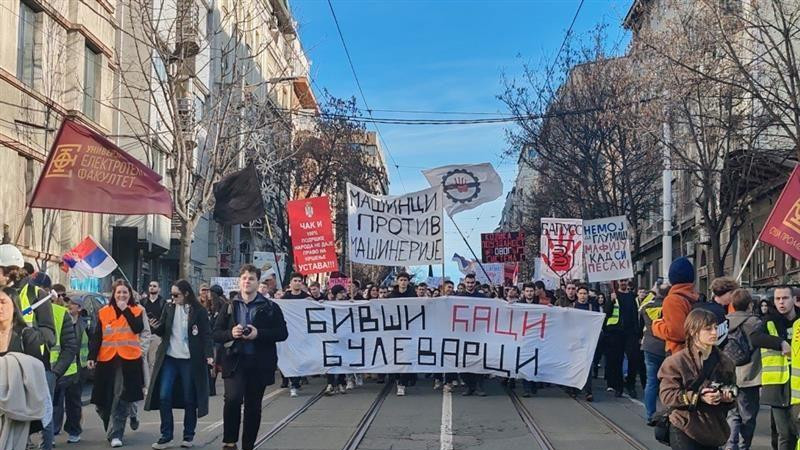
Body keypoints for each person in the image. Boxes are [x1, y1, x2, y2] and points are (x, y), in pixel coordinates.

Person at [214, 265, 288, 450]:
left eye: (251, 279)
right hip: (234, 361)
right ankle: (229, 441)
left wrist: (258, 334)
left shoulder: (270, 307)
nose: (247, 281)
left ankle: (248, 445)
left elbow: (282, 333)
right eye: (244, 278)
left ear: (258, 282)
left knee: (253, 406)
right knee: (232, 399)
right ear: (239, 281)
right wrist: (231, 333)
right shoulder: (229, 306)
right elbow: (215, 333)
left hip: (259, 363)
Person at [146, 280, 213, 449]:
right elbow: (164, 330)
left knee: (190, 397)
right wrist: (156, 327)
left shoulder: (199, 311)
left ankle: (188, 435)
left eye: (176, 295)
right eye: (172, 295)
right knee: (164, 395)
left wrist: (209, 355)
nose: (173, 298)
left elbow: (206, 334)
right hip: (170, 357)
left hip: (190, 360)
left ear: (187, 294)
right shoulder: (169, 308)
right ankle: (166, 435)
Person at [658, 308, 737, 449]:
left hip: (713, 427)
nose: (714, 332)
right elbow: (667, 396)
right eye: (708, 329)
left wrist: (727, 397)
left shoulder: (725, 362)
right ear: (694, 332)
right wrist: (699, 396)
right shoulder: (676, 362)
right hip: (684, 425)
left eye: (715, 328)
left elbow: (733, 391)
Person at [88, 280, 145, 448]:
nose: (121, 295)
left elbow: (137, 328)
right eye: (118, 292)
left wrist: (125, 310)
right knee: (101, 401)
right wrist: (92, 356)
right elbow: (97, 336)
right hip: (106, 360)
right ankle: (111, 428)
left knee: (121, 397)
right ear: (113, 294)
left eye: (125, 293)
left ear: (130, 295)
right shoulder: (103, 312)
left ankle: (117, 433)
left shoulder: (136, 310)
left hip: (128, 361)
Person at [726, 288, 781, 450]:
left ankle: (731, 444)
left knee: (732, 413)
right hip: (750, 375)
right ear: (750, 304)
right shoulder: (755, 323)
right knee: (748, 416)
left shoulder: (724, 322)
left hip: (729, 374)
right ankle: (744, 446)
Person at [0, 287, 49, 449]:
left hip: (18, 407)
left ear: (14, 306)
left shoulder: (27, 335)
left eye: (3, 302)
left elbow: (36, 373)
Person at [759, 286, 797, 450]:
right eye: (777, 299)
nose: (781, 302)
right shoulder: (769, 321)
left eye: (785, 298)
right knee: (784, 434)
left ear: (794, 300)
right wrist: (779, 343)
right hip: (777, 386)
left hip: (797, 387)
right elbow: (755, 338)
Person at [52, 295, 89, 444]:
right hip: (60, 367)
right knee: (56, 401)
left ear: (79, 308)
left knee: (73, 402)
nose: (69, 306)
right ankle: (53, 430)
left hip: (78, 368)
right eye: (68, 303)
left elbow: (90, 343)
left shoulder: (86, 324)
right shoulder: (60, 319)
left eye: (72, 304)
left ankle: (74, 430)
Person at [47, 290, 79, 443]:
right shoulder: (33, 313)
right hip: (53, 370)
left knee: (72, 404)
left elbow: (72, 345)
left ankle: (74, 430)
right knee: (54, 404)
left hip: (69, 369)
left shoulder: (61, 314)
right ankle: (52, 433)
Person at [653, 256, 700, 355]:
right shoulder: (694, 296)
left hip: (678, 354)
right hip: (694, 351)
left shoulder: (673, 300)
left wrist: (657, 326)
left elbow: (677, 333)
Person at [604, 279, 641, 398]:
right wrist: (611, 301)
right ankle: (618, 387)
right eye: (621, 281)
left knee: (633, 358)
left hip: (631, 333)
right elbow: (606, 313)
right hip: (616, 333)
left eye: (625, 281)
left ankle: (630, 384)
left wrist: (638, 334)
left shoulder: (633, 297)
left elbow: (637, 315)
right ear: (617, 282)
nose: (623, 283)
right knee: (617, 360)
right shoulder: (613, 296)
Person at [640, 280, 668, 425]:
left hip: (650, 347)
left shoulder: (646, 307)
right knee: (667, 382)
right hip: (666, 347)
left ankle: (650, 415)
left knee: (651, 382)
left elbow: (640, 324)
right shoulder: (670, 307)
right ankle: (665, 415)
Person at [457, 273, 488, 397]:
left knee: (478, 361)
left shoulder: (482, 297)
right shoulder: (458, 297)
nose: (470, 285)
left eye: (472, 282)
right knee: (463, 361)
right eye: (468, 282)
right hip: (463, 334)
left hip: (478, 334)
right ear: (464, 283)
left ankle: (479, 386)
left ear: (475, 283)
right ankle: (470, 386)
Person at [387, 272, 416, 396]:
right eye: (401, 280)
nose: (403, 282)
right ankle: (398, 378)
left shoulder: (413, 295)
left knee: (406, 358)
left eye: (405, 280)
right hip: (394, 331)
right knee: (396, 358)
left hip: (409, 331)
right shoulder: (391, 296)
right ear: (397, 281)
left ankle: (402, 384)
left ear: (408, 282)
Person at [281, 273, 309, 397]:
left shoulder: (307, 298)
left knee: (300, 358)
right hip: (289, 334)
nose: (297, 282)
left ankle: (297, 381)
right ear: (290, 283)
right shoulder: (284, 299)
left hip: (302, 334)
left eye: (299, 281)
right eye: (295, 280)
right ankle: (294, 383)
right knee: (291, 358)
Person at [568, 286, 598, 401]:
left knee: (587, 367)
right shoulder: (572, 307)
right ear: (577, 294)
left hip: (588, 341)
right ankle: (573, 389)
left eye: (585, 293)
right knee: (575, 365)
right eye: (580, 293)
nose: (582, 295)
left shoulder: (592, 307)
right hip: (575, 341)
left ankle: (588, 392)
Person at [694, 277, 738, 346]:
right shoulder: (718, 311)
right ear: (724, 292)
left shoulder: (704, 307)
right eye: (731, 293)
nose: (732, 296)